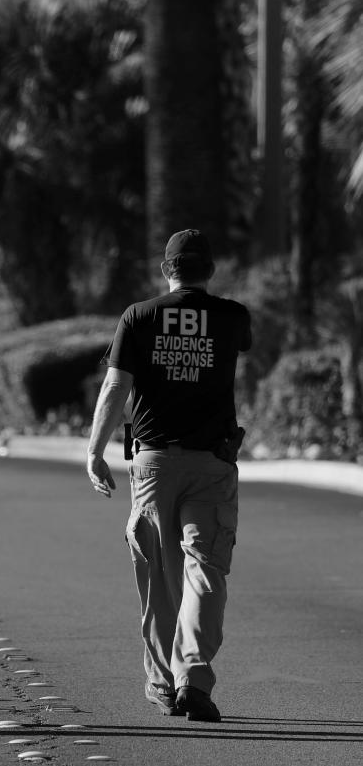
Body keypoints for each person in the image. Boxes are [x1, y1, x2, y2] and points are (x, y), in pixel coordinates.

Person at [86, 229, 251, 723]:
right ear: (211, 270)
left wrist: (95, 451)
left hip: (154, 462)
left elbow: (117, 384)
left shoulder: (139, 316)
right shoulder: (233, 317)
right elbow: (236, 354)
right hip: (213, 463)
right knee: (205, 570)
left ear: (167, 270)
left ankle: (162, 683)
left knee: (159, 575)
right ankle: (193, 678)